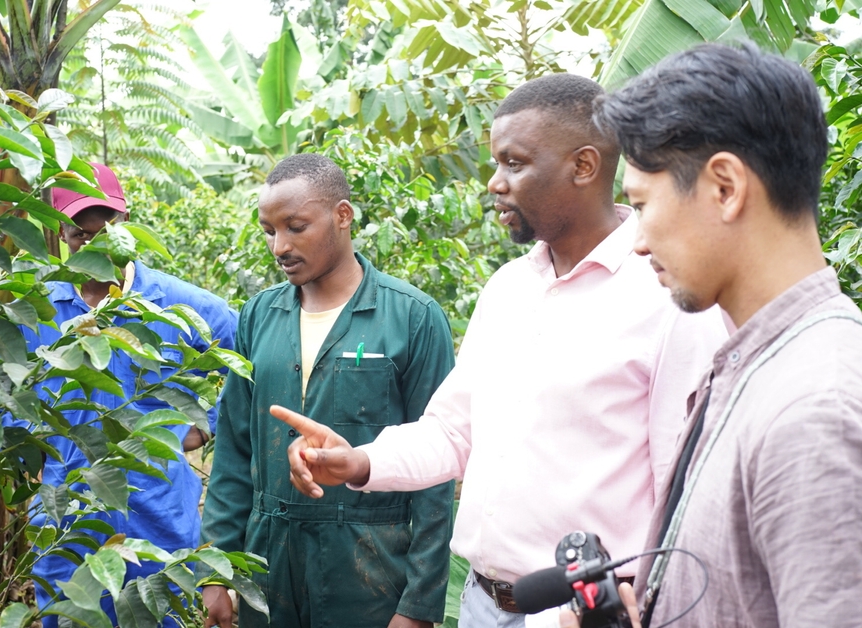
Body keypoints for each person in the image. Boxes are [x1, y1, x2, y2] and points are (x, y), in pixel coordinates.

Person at [272, 73, 728, 627]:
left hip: (592, 612)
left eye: (514, 163)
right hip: (484, 605)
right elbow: (453, 430)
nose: (494, 182)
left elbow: (686, 489)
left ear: (583, 167)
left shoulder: (666, 296)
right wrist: (361, 461)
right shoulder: (510, 288)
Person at [587, 42, 862, 627]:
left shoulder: (816, 412)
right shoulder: (756, 361)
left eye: (640, 204)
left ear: (725, 188)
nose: (637, 242)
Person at [0, 163, 239, 626]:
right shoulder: (34, 309)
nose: (96, 244)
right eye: (79, 235)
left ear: (125, 221)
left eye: (107, 228)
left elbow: (248, 358)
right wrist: (28, 440)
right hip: (66, 518)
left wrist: (203, 422)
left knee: (160, 614)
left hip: (159, 513)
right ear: (61, 235)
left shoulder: (179, 302)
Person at [199, 154, 456, 628]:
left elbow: (439, 471)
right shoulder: (258, 316)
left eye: (296, 227)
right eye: (269, 231)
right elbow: (234, 450)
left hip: (370, 571)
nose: (280, 246)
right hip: (268, 566)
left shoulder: (412, 318)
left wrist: (418, 605)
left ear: (342, 216)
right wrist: (216, 569)